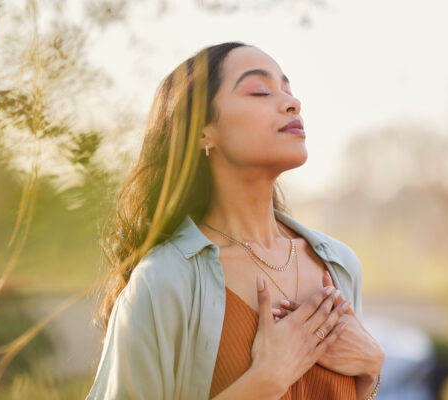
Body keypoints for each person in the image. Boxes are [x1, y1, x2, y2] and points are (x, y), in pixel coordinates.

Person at [86, 41, 384, 400]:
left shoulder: (340, 265)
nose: (293, 103)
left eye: (288, 90)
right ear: (201, 132)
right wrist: (263, 383)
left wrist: (371, 372)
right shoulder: (163, 281)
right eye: (259, 91)